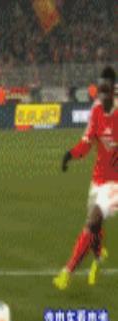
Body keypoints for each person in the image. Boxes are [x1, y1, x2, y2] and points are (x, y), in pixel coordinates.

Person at [53, 66, 117, 290]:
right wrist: (70, 155)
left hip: (115, 184)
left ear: (113, 91)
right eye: (100, 90)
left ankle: (67, 272)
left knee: (92, 220)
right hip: (98, 179)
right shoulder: (96, 111)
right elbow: (86, 143)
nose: (101, 95)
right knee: (95, 230)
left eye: (105, 90)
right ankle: (98, 259)